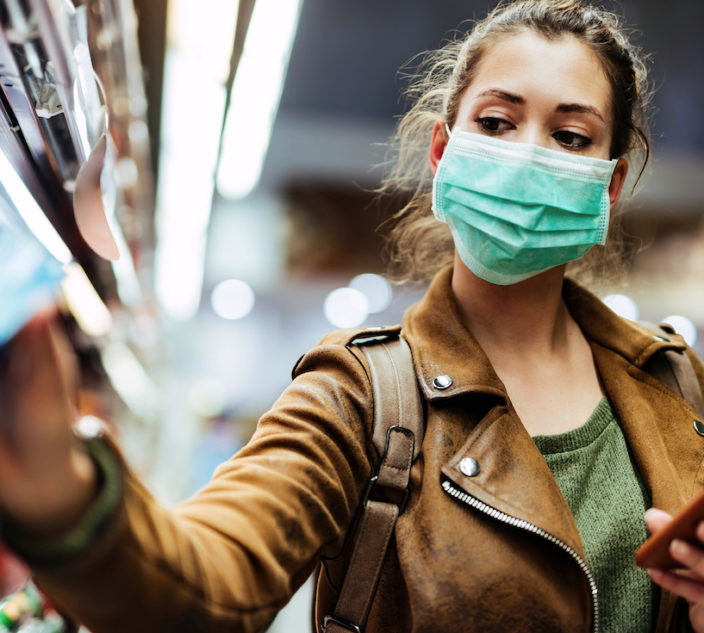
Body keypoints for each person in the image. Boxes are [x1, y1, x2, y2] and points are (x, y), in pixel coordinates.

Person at [0, 1, 703, 631]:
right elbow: (214, 578)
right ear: (442, 151)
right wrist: (68, 499)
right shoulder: (362, 395)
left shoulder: (677, 385)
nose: (526, 154)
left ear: (609, 187)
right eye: (496, 122)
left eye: (571, 137)